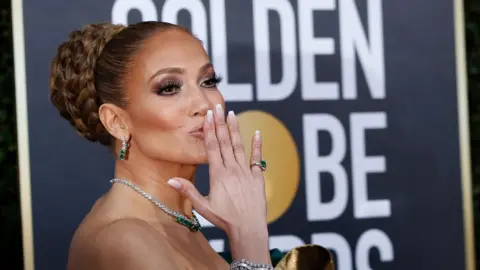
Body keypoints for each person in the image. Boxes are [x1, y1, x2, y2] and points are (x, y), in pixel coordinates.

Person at [49, 21, 334, 269]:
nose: (204, 104)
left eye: (209, 81)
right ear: (117, 121)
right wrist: (249, 238)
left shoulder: (174, 220)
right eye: (169, 87)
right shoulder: (125, 241)